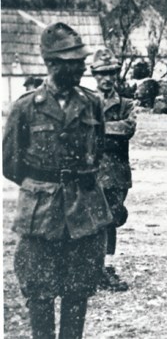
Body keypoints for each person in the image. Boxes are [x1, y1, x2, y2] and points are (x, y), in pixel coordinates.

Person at [3, 22, 113, 339]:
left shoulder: (91, 103)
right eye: (73, 62)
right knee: (39, 292)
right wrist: (45, 185)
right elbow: (10, 164)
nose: (81, 67)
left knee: (77, 290)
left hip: (83, 210)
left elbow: (99, 150)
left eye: (81, 61)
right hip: (40, 214)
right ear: (52, 63)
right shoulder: (26, 107)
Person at [91, 48, 137, 291]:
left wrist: (98, 129)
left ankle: (107, 269)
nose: (106, 78)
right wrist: (111, 130)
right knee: (90, 221)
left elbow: (128, 128)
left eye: (111, 73)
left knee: (111, 219)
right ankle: (91, 270)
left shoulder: (126, 103)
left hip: (117, 173)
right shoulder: (86, 102)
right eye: (102, 73)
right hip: (90, 172)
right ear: (94, 75)